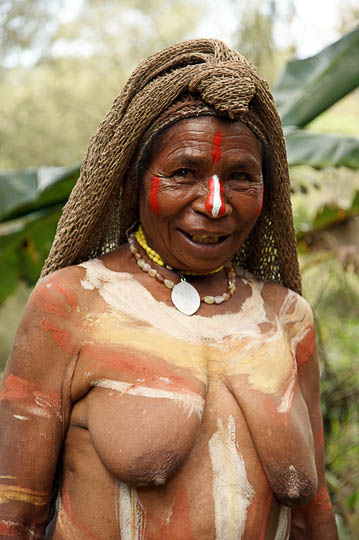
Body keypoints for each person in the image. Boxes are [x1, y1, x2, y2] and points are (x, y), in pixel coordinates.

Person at [0, 39, 338, 539]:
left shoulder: (286, 318)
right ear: (134, 180)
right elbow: (14, 518)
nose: (216, 204)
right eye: (185, 173)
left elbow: (315, 519)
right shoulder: (73, 303)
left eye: (242, 176)